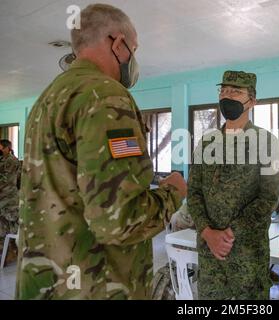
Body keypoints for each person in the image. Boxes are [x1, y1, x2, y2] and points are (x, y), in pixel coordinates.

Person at [16, 4, 186, 300]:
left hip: (45, 281)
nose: (134, 60)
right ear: (119, 44)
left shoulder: (49, 97)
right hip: (96, 284)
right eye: (134, 49)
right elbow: (119, 221)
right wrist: (172, 193)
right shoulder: (107, 96)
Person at [188, 71, 279, 300]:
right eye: (223, 90)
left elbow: (268, 198)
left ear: (252, 101)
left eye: (236, 91)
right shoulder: (207, 142)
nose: (226, 96)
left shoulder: (266, 142)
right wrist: (208, 233)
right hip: (211, 257)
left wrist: (229, 235)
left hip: (247, 256)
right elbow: (193, 192)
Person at [0, 139, 20, 265]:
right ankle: (6, 254)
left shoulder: (12, 161)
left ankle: (10, 253)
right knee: (2, 227)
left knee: (11, 226)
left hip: (9, 200)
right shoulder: (3, 160)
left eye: (1, 147)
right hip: (3, 199)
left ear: (7, 148)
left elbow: (6, 180)